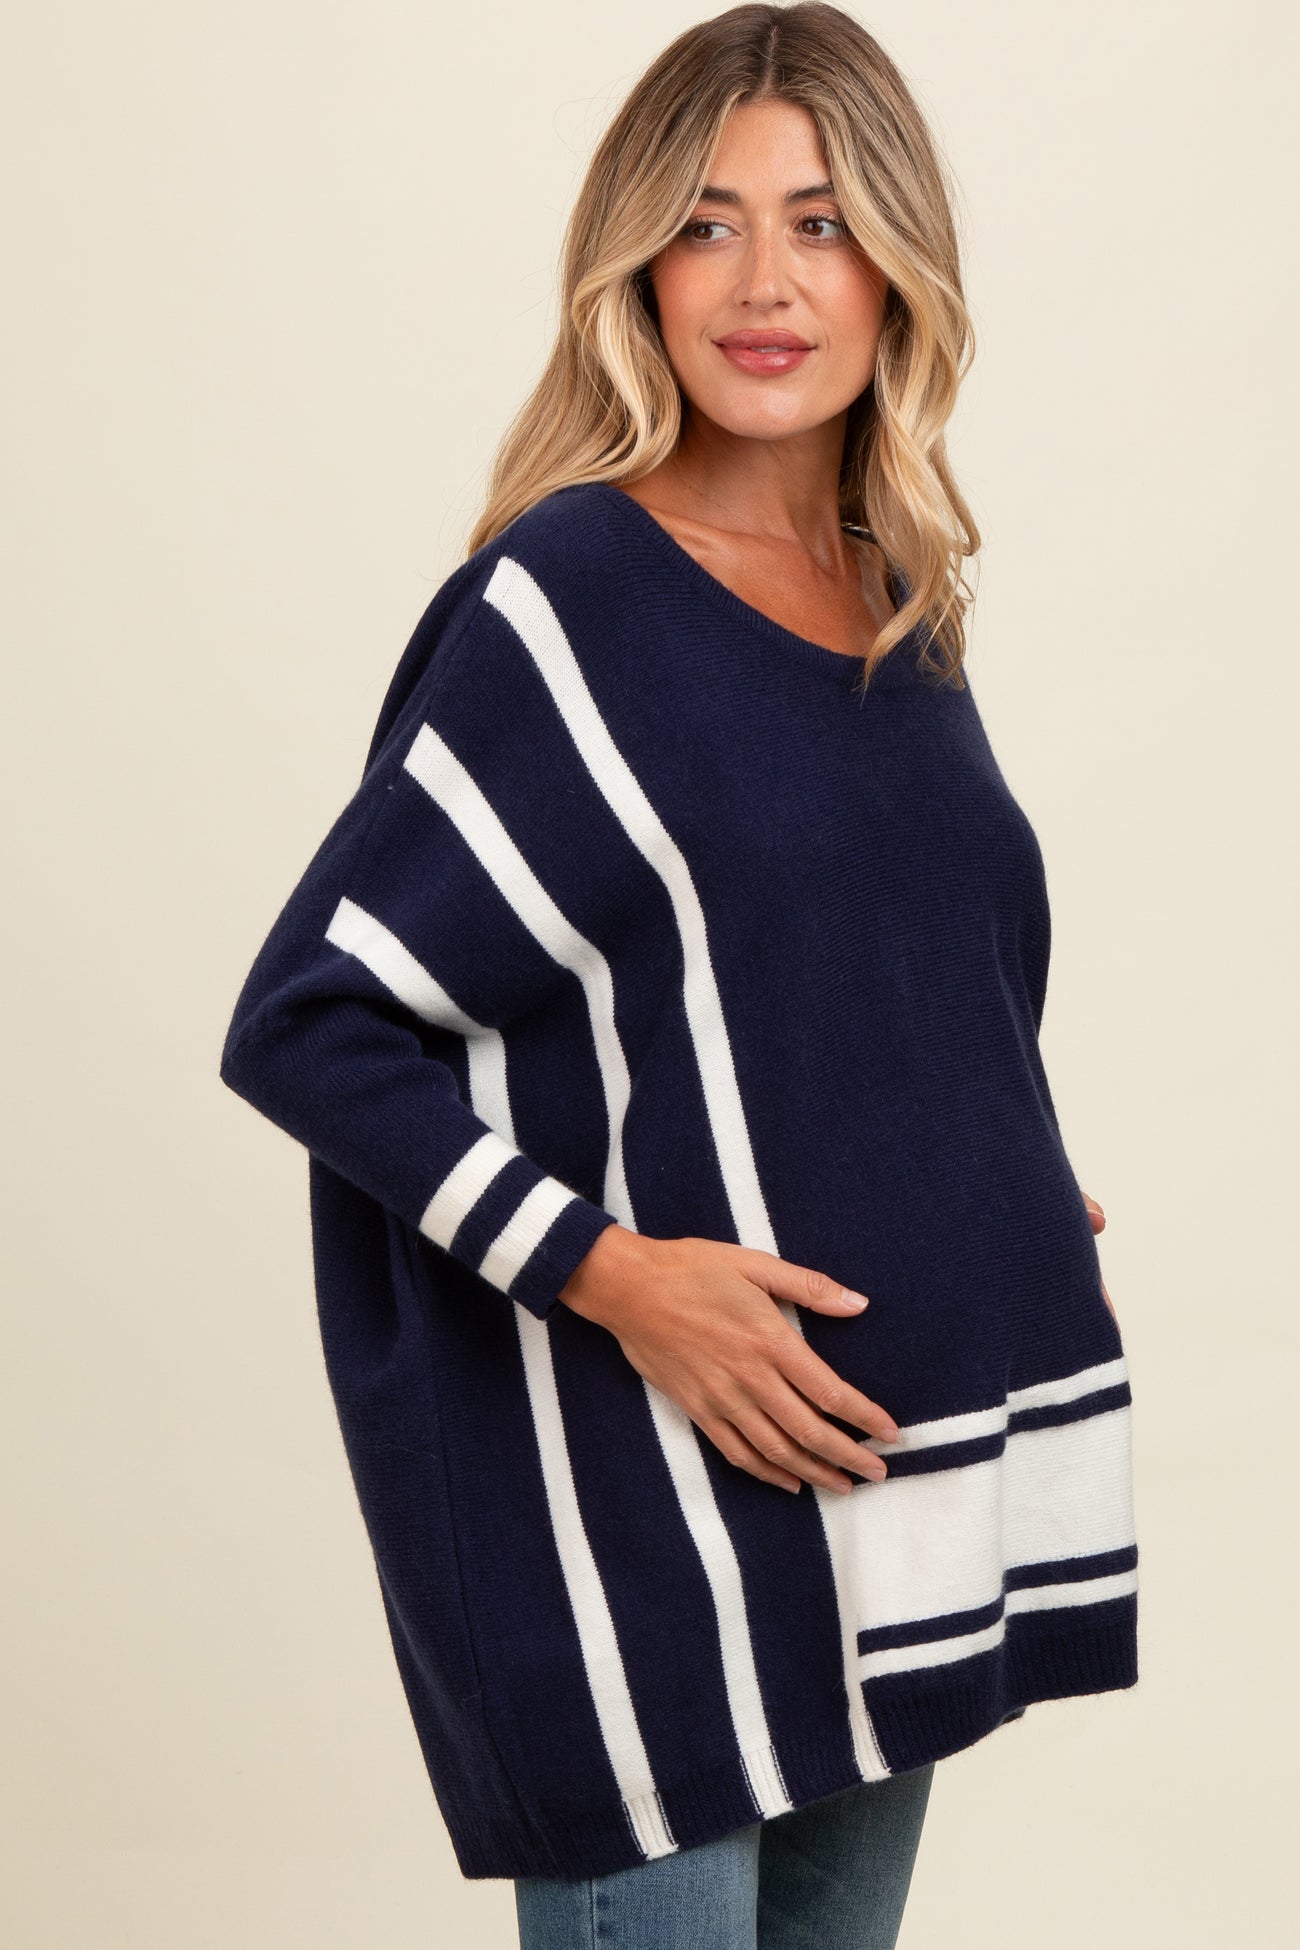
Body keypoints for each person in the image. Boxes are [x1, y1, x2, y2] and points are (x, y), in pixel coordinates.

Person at [218, 5, 1139, 1945]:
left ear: (897, 269)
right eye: (706, 224)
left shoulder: (897, 606)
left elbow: (905, 964)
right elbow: (311, 1019)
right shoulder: (566, 602)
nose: (763, 282)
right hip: (638, 1526)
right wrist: (620, 1277)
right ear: (635, 270)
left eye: (820, 222)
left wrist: (992, 1173)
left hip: (881, 1483)